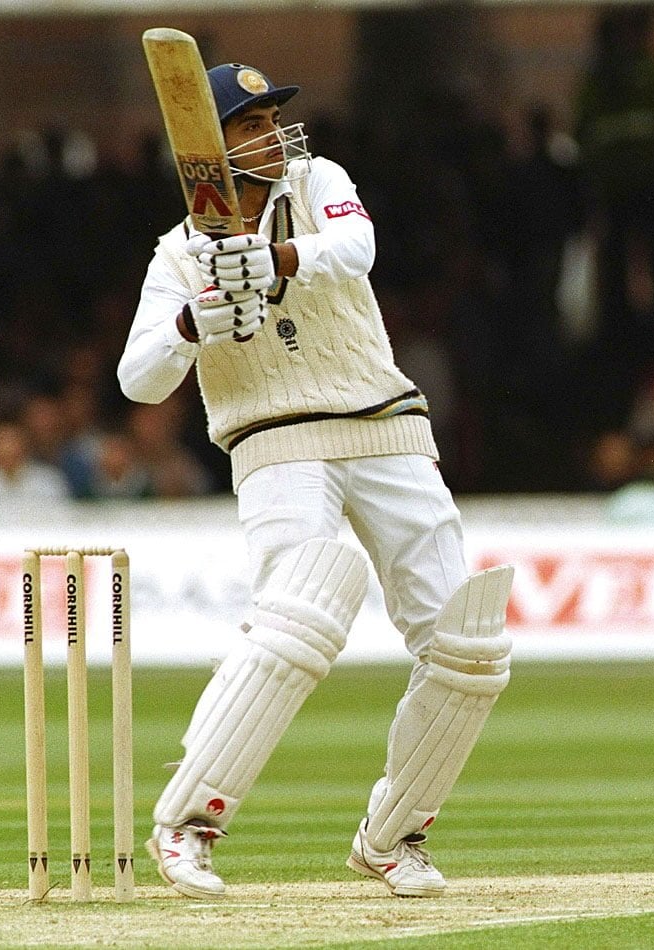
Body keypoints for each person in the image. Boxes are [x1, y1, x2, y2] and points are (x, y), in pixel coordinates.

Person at [118, 61, 514, 900]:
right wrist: (192, 321)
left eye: (272, 119)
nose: (271, 135)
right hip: (276, 439)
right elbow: (138, 380)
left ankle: (394, 836)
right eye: (250, 124)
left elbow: (356, 250)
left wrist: (270, 261)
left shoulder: (317, 181)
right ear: (206, 148)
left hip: (385, 423)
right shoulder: (179, 254)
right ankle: (187, 825)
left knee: (469, 646)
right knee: (296, 619)